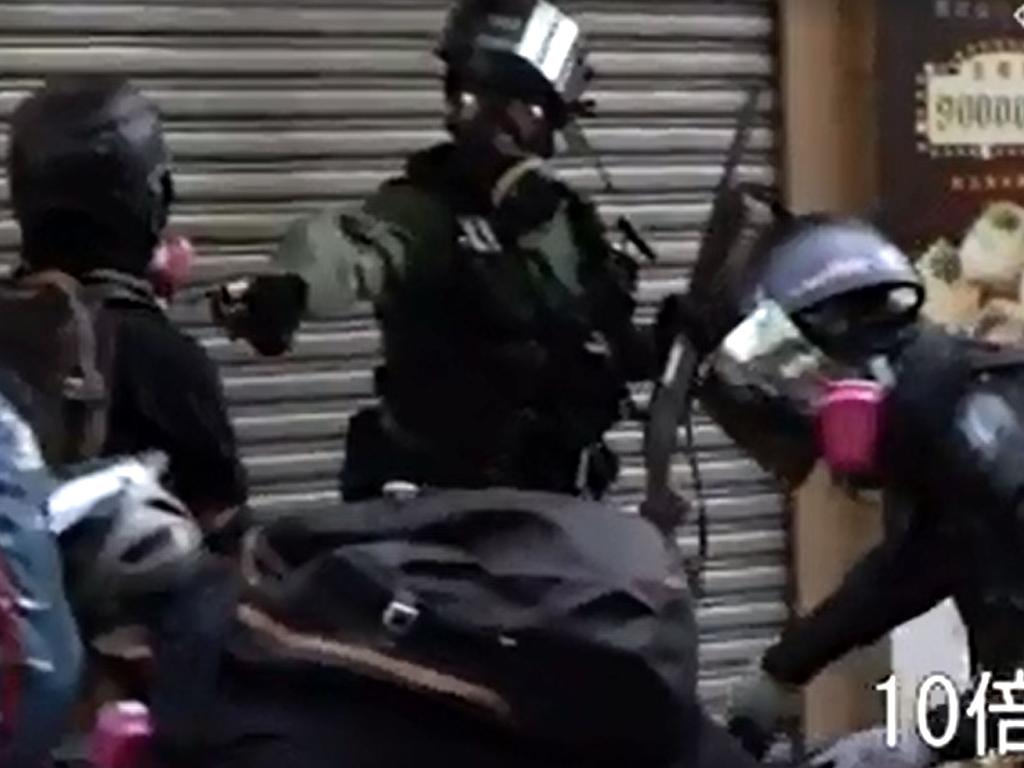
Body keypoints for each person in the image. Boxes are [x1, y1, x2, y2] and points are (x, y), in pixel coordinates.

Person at [217, 0, 655, 504]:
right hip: (439, 515)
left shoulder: (569, 222)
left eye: (511, 106)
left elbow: (595, 339)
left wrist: (666, 342)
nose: (487, 123)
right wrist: (290, 289)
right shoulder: (425, 209)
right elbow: (354, 245)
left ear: (546, 117)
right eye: (472, 97)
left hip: (556, 514)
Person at [666, 212, 1024, 767]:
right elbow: (920, 563)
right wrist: (783, 670)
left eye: (800, 389)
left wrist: (921, 742)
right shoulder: (945, 423)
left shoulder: (994, 445)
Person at [7, 75, 248, 539]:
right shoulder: (166, 360)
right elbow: (224, 527)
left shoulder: (12, 322)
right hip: (107, 608)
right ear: (155, 196)